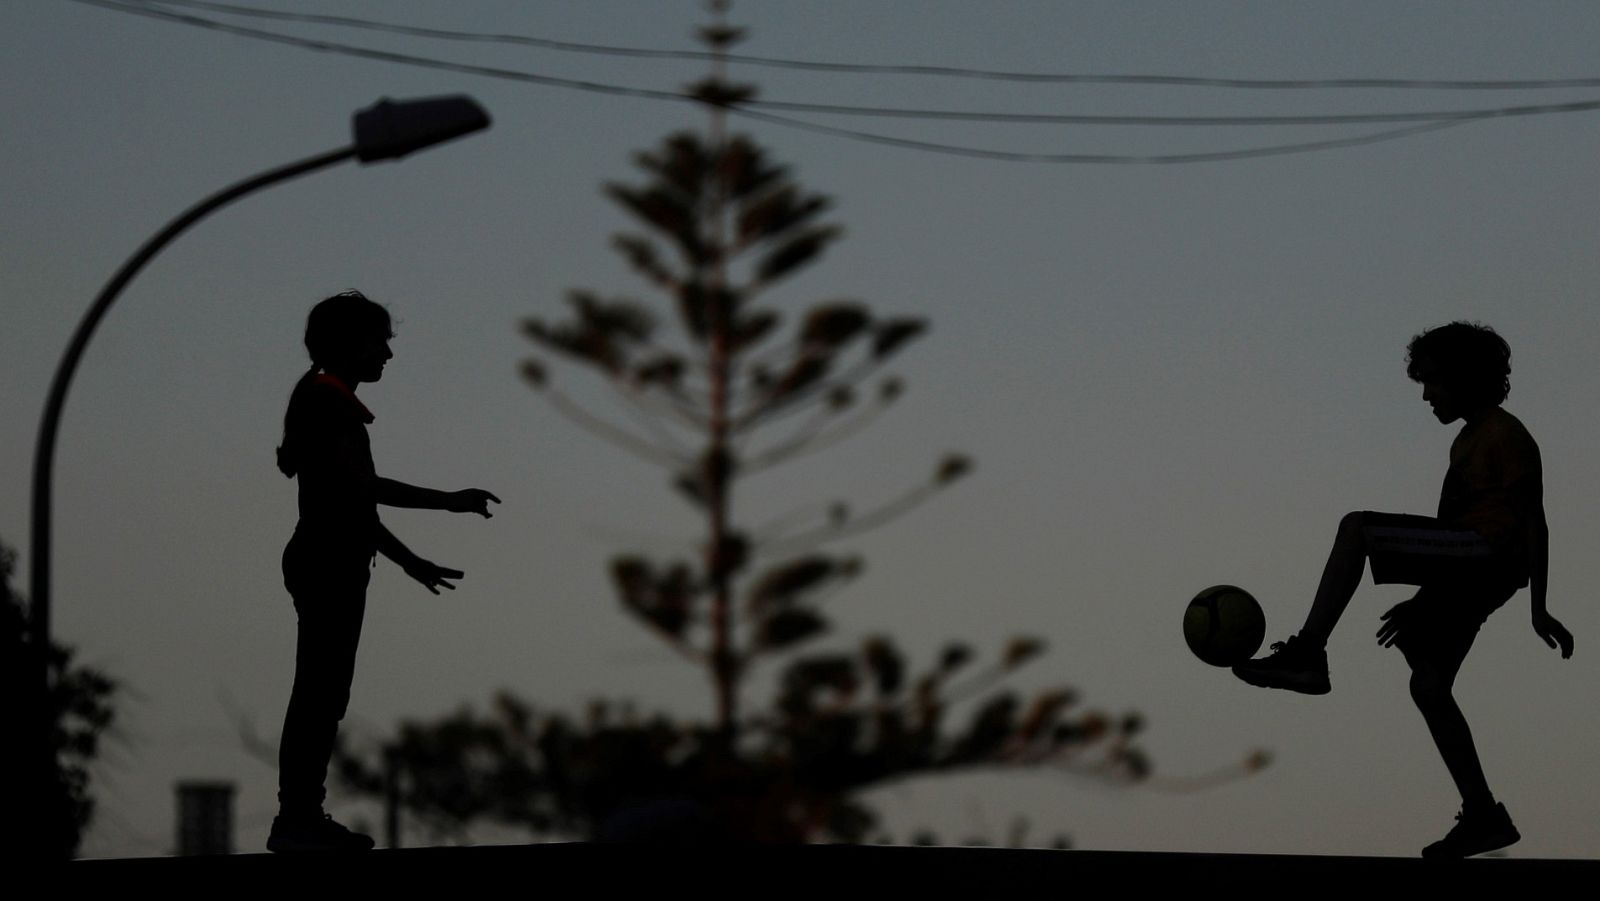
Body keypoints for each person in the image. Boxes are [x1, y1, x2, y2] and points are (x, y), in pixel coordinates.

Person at [1232, 320, 1573, 858]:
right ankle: (1483, 814)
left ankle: (1308, 653)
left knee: (1358, 528)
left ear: (1467, 377)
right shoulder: (1466, 440)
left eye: (1433, 381)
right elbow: (1445, 532)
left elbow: (1534, 521)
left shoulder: (1506, 435)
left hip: (1488, 552)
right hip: (1472, 564)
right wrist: (1424, 600)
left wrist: (1540, 608)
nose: (1426, 394)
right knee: (1429, 686)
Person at [269, 291, 499, 852]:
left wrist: (409, 559)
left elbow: (353, 505)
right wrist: (445, 504)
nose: (388, 354)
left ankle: (301, 815)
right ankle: (299, 819)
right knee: (320, 695)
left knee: (322, 693)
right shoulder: (330, 404)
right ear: (351, 343)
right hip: (328, 563)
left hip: (328, 558)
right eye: (381, 341)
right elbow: (358, 495)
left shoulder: (322, 400)